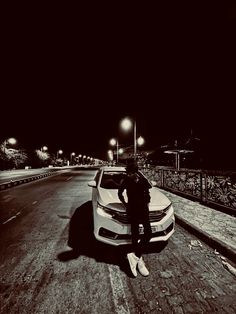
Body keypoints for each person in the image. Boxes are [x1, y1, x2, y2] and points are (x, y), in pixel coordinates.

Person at [118, 161, 152, 277]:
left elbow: (148, 194)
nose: (128, 175)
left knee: (148, 234)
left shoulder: (142, 180)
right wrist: (125, 205)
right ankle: (139, 260)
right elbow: (119, 193)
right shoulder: (126, 181)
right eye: (128, 173)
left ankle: (134, 256)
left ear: (135, 172)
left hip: (143, 210)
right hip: (132, 210)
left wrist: (147, 205)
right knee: (135, 235)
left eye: (130, 173)